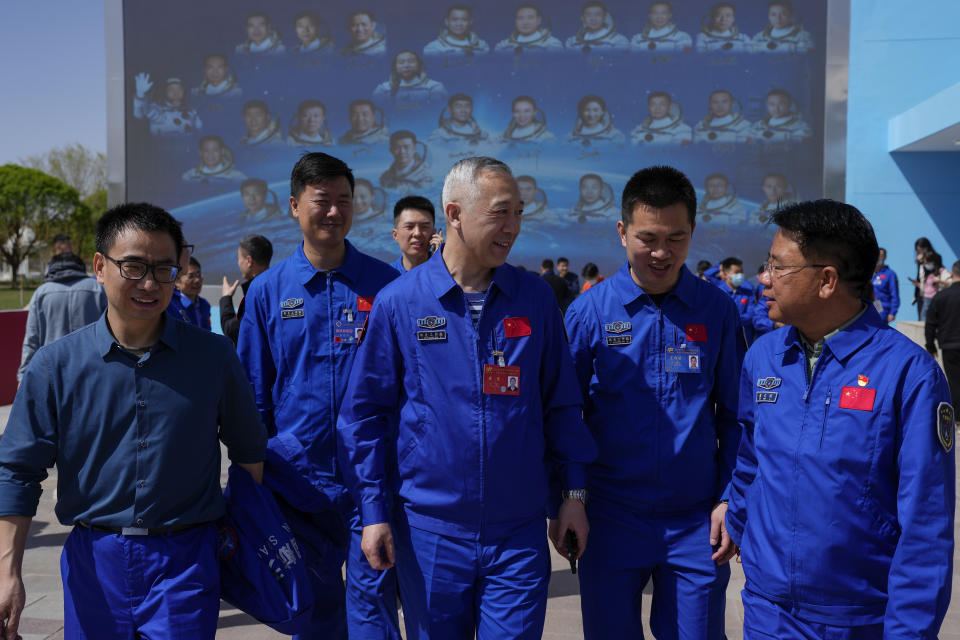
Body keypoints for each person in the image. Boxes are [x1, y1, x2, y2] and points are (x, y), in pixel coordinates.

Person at [337, 156, 597, 639]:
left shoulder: (535, 299)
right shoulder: (401, 302)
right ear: (454, 213)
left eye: (519, 212)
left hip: (517, 533)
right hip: (431, 531)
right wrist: (373, 513)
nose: (513, 227)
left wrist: (574, 495)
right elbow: (364, 416)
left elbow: (562, 406)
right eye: (500, 212)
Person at [0, 202, 267, 639]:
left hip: (186, 562)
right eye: (134, 267)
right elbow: (17, 470)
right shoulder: (55, 366)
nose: (150, 283)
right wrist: (7, 573)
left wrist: (245, 542)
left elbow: (248, 450)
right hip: (94, 562)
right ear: (100, 267)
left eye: (164, 269)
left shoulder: (214, 358)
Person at [726, 200, 954, 638]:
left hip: (857, 619)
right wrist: (735, 515)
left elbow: (925, 527)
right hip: (767, 611)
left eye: (778, 267)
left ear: (826, 280)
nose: (763, 279)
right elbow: (751, 458)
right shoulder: (764, 358)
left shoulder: (909, 375)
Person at [564, 165, 742, 639]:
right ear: (622, 232)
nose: (661, 253)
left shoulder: (718, 310)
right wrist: (572, 498)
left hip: (695, 520)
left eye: (676, 238)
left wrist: (729, 496)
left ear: (693, 234)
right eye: (647, 238)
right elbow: (566, 417)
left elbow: (737, 417)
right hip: (610, 517)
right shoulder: (588, 313)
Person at [238, 153, 401, 640]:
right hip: (296, 483)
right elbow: (252, 393)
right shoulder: (267, 292)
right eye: (321, 201)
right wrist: (259, 473)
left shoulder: (387, 286)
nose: (334, 212)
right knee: (314, 615)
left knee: (374, 608)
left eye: (343, 201)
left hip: (372, 481)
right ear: (294, 206)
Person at [18, 252, 107, 382]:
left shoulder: (41, 293)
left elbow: (32, 340)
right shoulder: (98, 289)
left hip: (52, 371)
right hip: (93, 370)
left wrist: (23, 376)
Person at [220, 235, 273, 346]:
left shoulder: (256, 293)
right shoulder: (277, 286)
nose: (238, 263)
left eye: (239, 259)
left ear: (249, 261)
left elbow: (232, 330)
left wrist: (226, 297)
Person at [926, 260, 960, 404]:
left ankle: (958, 417)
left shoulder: (941, 296)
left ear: (951, 274)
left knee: (954, 381)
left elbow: (930, 324)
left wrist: (931, 346)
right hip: (950, 343)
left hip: (949, 345)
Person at [372, 50, 448, 109]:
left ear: (419, 65)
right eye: (401, 62)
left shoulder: (434, 87)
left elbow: (438, 113)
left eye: (411, 62)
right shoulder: (383, 90)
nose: (406, 65)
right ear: (395, 67)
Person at [133, 73, 202, 136]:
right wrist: (140, 95)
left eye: (179, 89)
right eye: (171, 89)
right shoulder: (157, 109)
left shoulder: (192, 112)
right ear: (164, 92)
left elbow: (200, 132)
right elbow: (140, 114)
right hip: (159, 148)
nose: (176, 92)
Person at [390, 196, 442, 273]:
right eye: (409, 227)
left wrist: (438, 263)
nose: (417, 233)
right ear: (395, 235)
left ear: (434, 233)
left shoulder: (448, 272)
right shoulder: (387, 276)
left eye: (424, 227)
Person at [713, 256, 756, 344]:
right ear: (725, 275)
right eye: (736, 272)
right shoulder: (717, 293)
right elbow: (716, 316)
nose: (740, 275)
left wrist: (731, 319)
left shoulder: (748, 293)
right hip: (723, 339)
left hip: (745, 340)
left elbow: (751, 315)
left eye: (741, 272)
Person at [423, 5, 490, 56]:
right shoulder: (433, 48)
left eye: (464, 20)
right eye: (454, 19)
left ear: (470, 22)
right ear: (447, 22)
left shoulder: (482, 46)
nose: (459, 24)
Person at [494, 4, 564, 53]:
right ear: (515, 21)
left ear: (539, 20)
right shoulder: (505, 45)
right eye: (520, 18)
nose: (525, 22)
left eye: (530, 18)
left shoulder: (551, 43)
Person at [166, 256, 211, 331]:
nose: (197, 280)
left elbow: (208, 333)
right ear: (177, 281)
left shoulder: (204, 305)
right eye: (191, 276)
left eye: (198, 274)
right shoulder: (169, 305)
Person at [182, 136, 246, 183]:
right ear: (200, 153)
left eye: (215, 150)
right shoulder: (189, 176)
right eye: (206, 151)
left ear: (222, 151)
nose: (210, 154)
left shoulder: (236, 176)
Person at [913, 249, 951, 322]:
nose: (926, 264)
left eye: (927, 262)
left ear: (933, 262)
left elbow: (949, 283)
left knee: (935, 319)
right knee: (923, 318)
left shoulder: (941, 271)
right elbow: (927, 287)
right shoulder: (927, 273)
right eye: (925, 262)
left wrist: (939, 280)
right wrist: (918, 285)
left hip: (936, 299)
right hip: (926, 299)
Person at [872, 247, 900, 323]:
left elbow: (894, 294)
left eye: (881, 255)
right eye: (877, 255)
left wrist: (892, 312)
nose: (878, 257)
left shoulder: (890, 274)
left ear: (885, 257)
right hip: (867, 308)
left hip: (882, 309)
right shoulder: (868, 273)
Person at [910, 237, 934, 320]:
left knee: (926, 318)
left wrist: (922, 261)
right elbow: (919, 276)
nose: (919, 252)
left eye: (920, 250)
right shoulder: (920, 260)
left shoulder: (933, 258)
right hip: (920, 292)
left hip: (930, 293)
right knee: (921, 317)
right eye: (918, 250)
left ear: (926, 248)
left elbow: (931, 273)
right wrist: (916, 293)